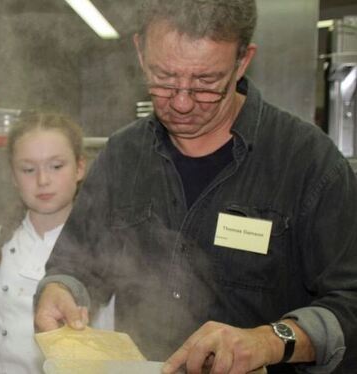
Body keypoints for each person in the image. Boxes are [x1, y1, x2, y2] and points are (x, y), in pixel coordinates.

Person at [34, 0, 357, 373]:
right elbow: (76, 265)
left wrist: (271, 340)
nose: (183, 102)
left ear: (242, 61)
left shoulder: (307, 162)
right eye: (164, 78)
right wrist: (60, 289)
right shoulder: (123, 155)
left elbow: (350, 301)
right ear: (140, 51)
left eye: (205, 82)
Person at [0, 113, 113, 373]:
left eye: (56, 166)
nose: (43, 180)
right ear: (13, 176)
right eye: (28, 169)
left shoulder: (103, 252)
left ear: (80, 167)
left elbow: (112, 350)